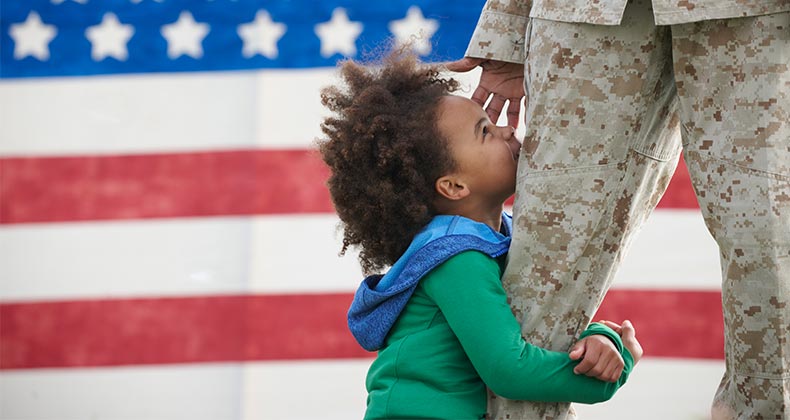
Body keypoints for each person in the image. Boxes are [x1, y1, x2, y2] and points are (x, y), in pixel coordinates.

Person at [447, 0, 790, 418]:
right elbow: (509, 359)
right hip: (586, 14)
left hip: (757, 13)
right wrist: (509, 22)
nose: (500, 132)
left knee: (771, 257)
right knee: (539, 279)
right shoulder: (453, 259)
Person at [318, 51, 643, 420]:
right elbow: (509, 370)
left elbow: (537, 318)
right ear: (454, 185)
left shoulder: (503, 235)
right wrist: (613, 373)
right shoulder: (456, 258)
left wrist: (603, 339)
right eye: (484, 131)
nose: (506, 129)